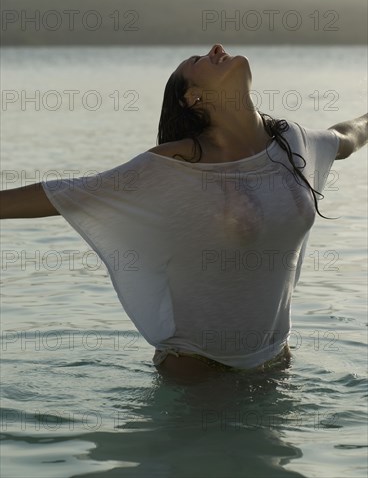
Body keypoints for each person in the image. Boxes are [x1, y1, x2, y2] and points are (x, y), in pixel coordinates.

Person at [1, 43, 367, 383]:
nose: (217, 49)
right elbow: (73, 193)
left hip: (275, 363)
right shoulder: (176, 165)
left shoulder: (293, 144)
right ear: (194, 98)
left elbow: (347, 138)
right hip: (197, 371)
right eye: (199, 61)